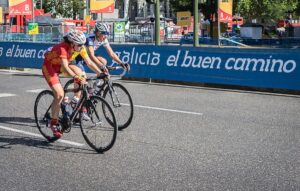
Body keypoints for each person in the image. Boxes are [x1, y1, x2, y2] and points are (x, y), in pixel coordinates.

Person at [42, 29, 102, 138]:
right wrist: (75, 77)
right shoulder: (62, 48)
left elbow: (89, 62)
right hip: (49, 67)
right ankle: (53, 123)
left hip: (60, 65)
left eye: (83, 44)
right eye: (79, 45)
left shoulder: (79, 47)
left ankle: (74, 101)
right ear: (72, 43)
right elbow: (65, 66)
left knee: (81, 73)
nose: (82, 46)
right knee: (59, 94)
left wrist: (100, 73)